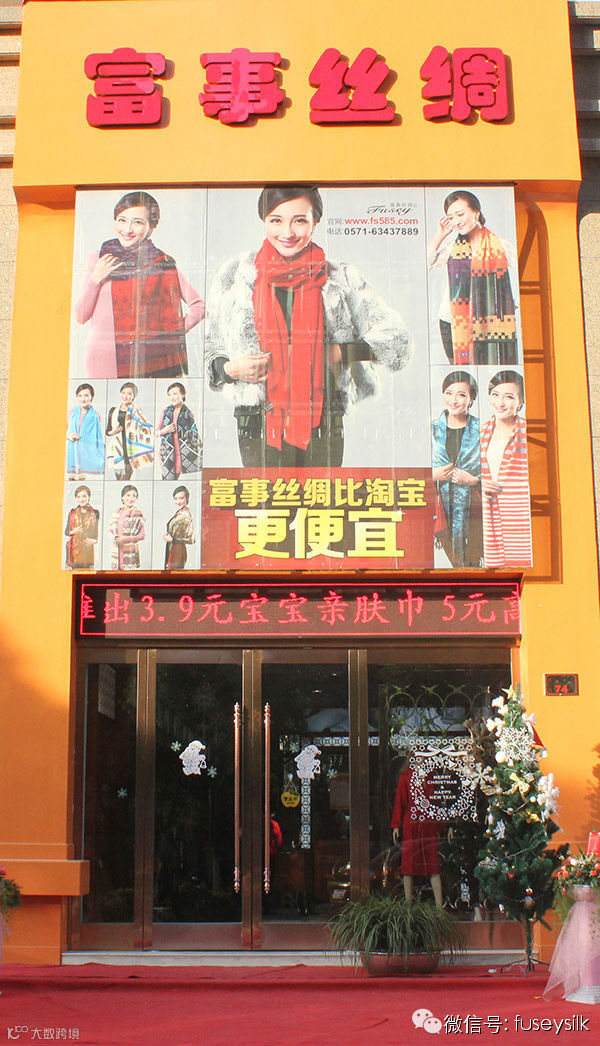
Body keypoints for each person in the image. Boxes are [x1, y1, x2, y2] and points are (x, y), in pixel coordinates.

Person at [206, 185, 412, 467]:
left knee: (320, 497)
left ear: (316, 221)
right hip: (256, 420)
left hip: (323, 420)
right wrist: (229, 369)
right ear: (263, 220)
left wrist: (339, 352)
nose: (287, 232)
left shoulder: (340, 278)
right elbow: (212, 346)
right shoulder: (235, 276)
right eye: (276, 220)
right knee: (265, 497)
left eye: (299, 220)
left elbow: (397, 340)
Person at [74, 190, 205, 378]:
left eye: (137, 222)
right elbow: (80, 316)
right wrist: (96, 278)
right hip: (101, 359)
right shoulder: (99, 258)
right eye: (122, 220)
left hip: (147, 362)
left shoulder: (162, 263)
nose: (127, 229)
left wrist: (171, 336)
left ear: (151, 226)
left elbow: (199, 306)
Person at [428, 190, 518, 366]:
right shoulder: (452, 248)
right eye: (451, 217)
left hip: (491, 322)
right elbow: (424, 265)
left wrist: (508, 304)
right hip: (452, 321)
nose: (456, 221)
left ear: (476, 213)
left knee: (492, 370)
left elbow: (523, 273)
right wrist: (440, 235)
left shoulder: (500, 246)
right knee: (461, 373)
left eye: (460, 214)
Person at [480, 369, 532, 567]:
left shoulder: (529, 433)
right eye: (495, 395)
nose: (500, 403)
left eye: (509, 397)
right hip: (490, 518)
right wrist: (479, 483)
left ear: (521, 401)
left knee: (523, 570)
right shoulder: (480, 432)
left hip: (520, 516)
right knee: (495, 571)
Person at [432, 370, 482, 567]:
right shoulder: (432, 430)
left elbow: (498, 472)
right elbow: (411, 471)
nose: (453, 400)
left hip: (474, 509)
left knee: (474, 563)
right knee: (448, 562)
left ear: (471, 399)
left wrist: (474, 480)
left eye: (461, 394)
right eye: (449, 393)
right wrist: (432, 474)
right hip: (440, 508)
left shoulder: (483, 430)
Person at [391, 756, 443, 907]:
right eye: (418, 758)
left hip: (428, 825)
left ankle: (439, 908)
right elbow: (400, 801)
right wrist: (396, 825)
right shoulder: (406, 777)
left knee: (433, 866)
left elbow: (437, 804)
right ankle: (409, 905)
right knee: (408, 865)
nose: (421, 761)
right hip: (411, 825)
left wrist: (440, 827)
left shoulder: (431, 778)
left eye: (424, 758)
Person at [106, 381, 154, 480]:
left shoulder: (137, 412)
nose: (125, 396)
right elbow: (108, 431)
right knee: (118, 480)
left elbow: (146, 426)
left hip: (130, 448)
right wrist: (113, 432)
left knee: (125, 478)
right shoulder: (113, 411)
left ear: (134, 396)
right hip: (117, 448)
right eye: (123, 393)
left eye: (129, 394)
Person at [156, 382, 201, 480]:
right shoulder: (165, 412)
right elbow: (154, 433)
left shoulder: (189, 414)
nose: (172, 397)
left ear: (183, 394)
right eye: (169, 395)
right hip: (167, 453)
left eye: (175, 394)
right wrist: (164, 431)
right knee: (168, 480)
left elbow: (195, 435)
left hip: (183, 455)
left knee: (176, 478)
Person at [66, 383, 105, 480]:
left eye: (86, 395)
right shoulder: (71, 413)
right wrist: (69, 436)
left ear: (92, 397)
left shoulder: (96, 416)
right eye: (80, 396)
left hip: (88, 455)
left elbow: (96, 437)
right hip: (72, 452)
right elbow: (59, 432)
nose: (83, 399)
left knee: (82, 481)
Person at [110, 484, 146, 570]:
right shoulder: (117, 512)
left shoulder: (137, 513)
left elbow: (142, 536)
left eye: (134, 496)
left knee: (128, 576)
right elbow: (110, 530)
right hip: (117, 550)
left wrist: (125, 539)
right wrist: (114, 537)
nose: (131, 498)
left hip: (130, 551)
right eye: (128, 495)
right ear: (122, 497)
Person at [64, 485, 99, 569]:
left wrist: (94, 541)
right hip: (74, 550)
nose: (81, 499)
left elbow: (97, 533)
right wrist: (74, 531)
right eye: (78, 497)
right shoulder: (72, 512)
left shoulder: (95, 513)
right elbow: (66, 532)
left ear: (89, 497)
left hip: (88, 551)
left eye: (84, 496)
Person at [163, 485, 195, 569]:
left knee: (175, 573)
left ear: (187, 498)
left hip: (178, 549)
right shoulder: (179, 512)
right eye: (176, 498)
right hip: (172, 547)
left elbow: (191, 538)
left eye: (181, 498)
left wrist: (173, 539)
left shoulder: (186, 514)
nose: (178, 501)